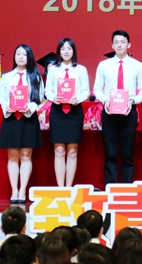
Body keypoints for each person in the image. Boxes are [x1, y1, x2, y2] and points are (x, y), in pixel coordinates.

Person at [93, 30, 142, 185]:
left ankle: (126, 187)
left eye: (123, 42)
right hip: (109, 112)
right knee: (110, 153)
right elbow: (97, 89)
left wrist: (132, 100)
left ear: (129, 45)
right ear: (112, 45)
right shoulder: (104, 65)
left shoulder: (138, 66)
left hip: (129, 112)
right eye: (116, 42)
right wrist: (105, 100)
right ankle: (110, 186)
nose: (119, 45)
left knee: (127, 154)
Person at [0, 44, 44, 204]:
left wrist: (29, 107)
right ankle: (14, 191)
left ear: (29, 57)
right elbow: (1, 96)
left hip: (28, 119)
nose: (21, 57)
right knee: (12, 156)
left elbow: (39, 97)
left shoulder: (35, 77)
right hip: (11, 118)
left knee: (25, 155)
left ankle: (23, 190)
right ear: (14, 57)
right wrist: (7, 106)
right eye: (18, 54)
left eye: (24, 54)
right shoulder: (7, 77)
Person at [45, 38, 90, 187]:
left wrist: (79, 99)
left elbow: (86, 91)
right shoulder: (53, 70)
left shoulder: (81, 70)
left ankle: (69, 187)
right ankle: (61, 188)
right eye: (63, 49)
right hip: (58, 111)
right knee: (59, 150)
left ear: (73, 51)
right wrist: (54, 98)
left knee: (72, 151)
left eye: (69, 48)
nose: (66, 52)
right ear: (59, 51)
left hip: (74, 111)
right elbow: (48, 90)